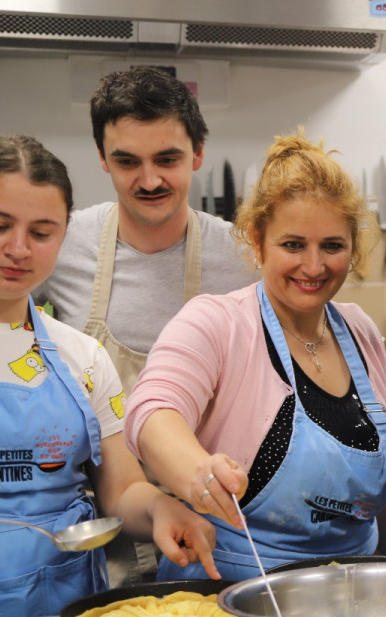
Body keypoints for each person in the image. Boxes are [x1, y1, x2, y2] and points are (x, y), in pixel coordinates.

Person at [123, 131, 386, 581]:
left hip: (352, 599)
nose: (314, 267)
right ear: (258, 241)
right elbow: (153, 412)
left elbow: (360, 497)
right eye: (293, 245)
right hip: (231, 597)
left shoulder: (360, 331)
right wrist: (198, 472)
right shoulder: (217, 323)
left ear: (352, 249)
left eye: (332, 246)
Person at [0, 133, 219, 617]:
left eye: (42, 232)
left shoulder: (81, 356)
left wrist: (164, 509)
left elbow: (122, 489)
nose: (19, 248)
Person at [36, 65, 255, 396]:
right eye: (128, 162)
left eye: (167, 160)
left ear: (198, 153)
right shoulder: (62, 241)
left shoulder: (244, 259)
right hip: (91, 449)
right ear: (103, 158)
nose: (150, 181)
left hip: (201, 449)